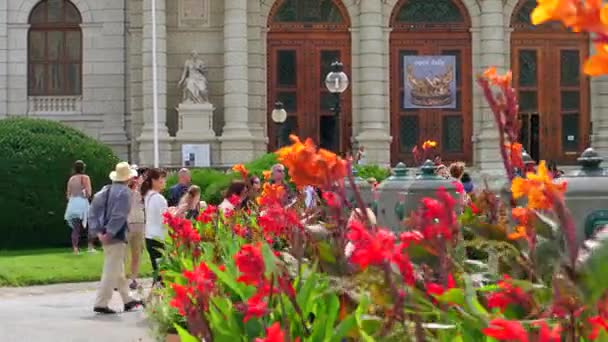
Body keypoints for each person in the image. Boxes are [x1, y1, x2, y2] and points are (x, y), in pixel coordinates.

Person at [88, 162, 143, 314]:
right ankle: (101, 302)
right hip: (116, 235)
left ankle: (127, 300)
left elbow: (93, 212)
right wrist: (109, 233)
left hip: (105, 234)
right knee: (111, 269)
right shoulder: (125, 193)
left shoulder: (104, 191)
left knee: (117, 269)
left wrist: (98, 232)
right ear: (128, 178)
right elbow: (119, 215)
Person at [142, 168, 169, 287]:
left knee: (157, 269)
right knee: (161, 270)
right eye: (162, 179)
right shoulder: (158, 198)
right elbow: (165, 219)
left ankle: (155, 296)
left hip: (150, 235)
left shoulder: (148, 195)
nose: (164, 182)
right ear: (154, 181)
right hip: (158, 237)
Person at [64, 160, 94, 255]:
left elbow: (68, 194)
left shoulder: (71, 179)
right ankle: (90, 247)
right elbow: (89, 193)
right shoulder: (85, 177)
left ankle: (75, 249)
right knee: (90, 224)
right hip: (82, 202)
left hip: (73, 203)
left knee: (76, 228)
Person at [126, 166, 146, 290]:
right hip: (127, 224)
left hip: (139, 223)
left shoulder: (142, 192)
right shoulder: (123, 192)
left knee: (136, 253)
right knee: (123, 254)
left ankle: (133, 278)